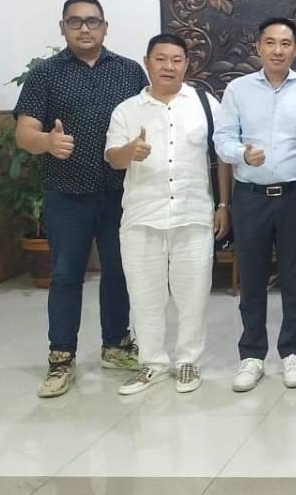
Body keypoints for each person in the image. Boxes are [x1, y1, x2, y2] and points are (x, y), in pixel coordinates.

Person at [14, 0, 149, 398]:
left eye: (93, 21)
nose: (85, 28)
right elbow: (24, 133)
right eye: (75, 22)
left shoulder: (129, 71)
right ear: (63, 28)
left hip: (119, 193)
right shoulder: (45, 74)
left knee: (119, 270)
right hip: (66, 194)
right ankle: (61, 357)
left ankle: (116, 345)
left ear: (106, 27)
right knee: (66, 274)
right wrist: (46, 142)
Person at [104, 34, 232, 395]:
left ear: (187, 64)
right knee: (145, 296)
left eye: (177, 60)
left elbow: (222, 157)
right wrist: (130, 151)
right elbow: (112, 158)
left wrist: (223, 205)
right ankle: (152, 364)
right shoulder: (127, 110)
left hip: (194, 214)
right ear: (147, 62)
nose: (169, 67)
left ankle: (188, 361)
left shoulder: (205, 104)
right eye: (161, 59)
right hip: (142, 217)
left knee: (193, 295)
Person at [213, 17, 296, 392]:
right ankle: (252, 355)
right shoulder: (238, 89)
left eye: (285, 43)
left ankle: (293, 351)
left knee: (295, 278)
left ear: (295, 49)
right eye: (271, 42)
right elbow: (222, 139)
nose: (278, 50)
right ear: (258, 47)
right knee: (252, 278)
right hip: (250, 198)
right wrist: (242, 154)